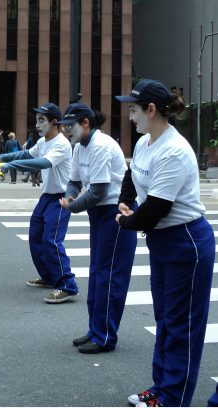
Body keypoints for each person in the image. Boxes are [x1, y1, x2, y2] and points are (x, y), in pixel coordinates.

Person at [115, 79, 215, 407]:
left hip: (185, 242)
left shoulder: (174, 150)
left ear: (152, 110)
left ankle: (173, 398)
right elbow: (131, 177)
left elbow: (157, 209)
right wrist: (124, 202)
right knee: (166, 320)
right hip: (162, 241)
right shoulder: (146, 143)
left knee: (181, 325)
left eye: (134, 110)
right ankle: (161, 388)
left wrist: (126, 220)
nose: (130, 116)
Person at [58, 103, 137, 354]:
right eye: (64, 127)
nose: (66, 131)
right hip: (98, 212)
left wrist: (72, 207)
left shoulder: (101, 145)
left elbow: (98, 190)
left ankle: (104, 336)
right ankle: (95, 329)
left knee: (109, 275)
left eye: (69, 126)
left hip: (114, 212)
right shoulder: (80, 147)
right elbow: (74, 181)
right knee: (96, 272)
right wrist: (70, 196)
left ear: (85, 123)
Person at [0, 102, 79, 303]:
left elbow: (43, 163)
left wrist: (10, 165)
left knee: (51, 241)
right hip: (47, 197)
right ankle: (49, 277)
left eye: (42, 121)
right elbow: (26, 154)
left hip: (61, 197)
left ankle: (67, 285)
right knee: (35, 236)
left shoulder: (61, 144)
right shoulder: (43, 142)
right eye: (36, 120)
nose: (37, 125)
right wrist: (1, 157)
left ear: (54, 122)